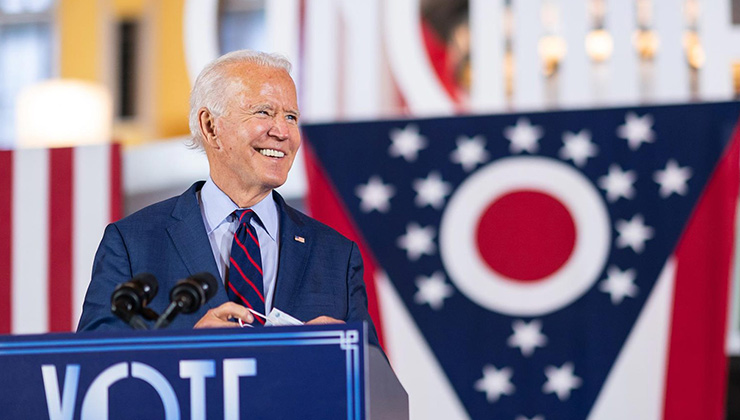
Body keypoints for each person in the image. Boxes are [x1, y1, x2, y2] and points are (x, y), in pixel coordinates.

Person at [77, 50, 379, 346]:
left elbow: (378, 389)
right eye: (264, 112)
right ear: (210, 127)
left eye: (291, 116)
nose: (284, 131)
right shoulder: (132, 243)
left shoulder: (336, 255)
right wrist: (185, 349)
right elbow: (93, 374)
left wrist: (344, 358)